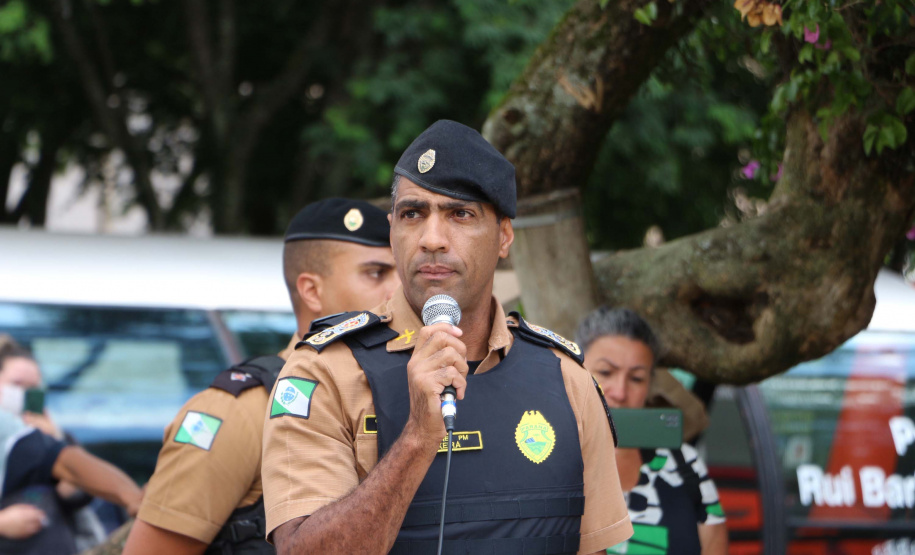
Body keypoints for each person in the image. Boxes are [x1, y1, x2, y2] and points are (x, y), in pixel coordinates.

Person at [262, 120, 633, 555]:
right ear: (393, 232)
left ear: (504, 235)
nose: (432, 239)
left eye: (461, 214)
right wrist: (418, 437)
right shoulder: (323, 374)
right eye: (412, 214)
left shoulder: (565, 378)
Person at [124, 198, 399, 555]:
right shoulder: (240, 412)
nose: (397, 291)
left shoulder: (407, 392)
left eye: (399, 272)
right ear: (312, 291)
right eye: (376, 273)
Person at [576, 307, 728, 555]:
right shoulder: (548, 463)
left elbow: (715, 543)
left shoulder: (684, 463)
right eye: (605, 372)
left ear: (649, 386)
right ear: (575, 374)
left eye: (636, 378)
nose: (620, 392)